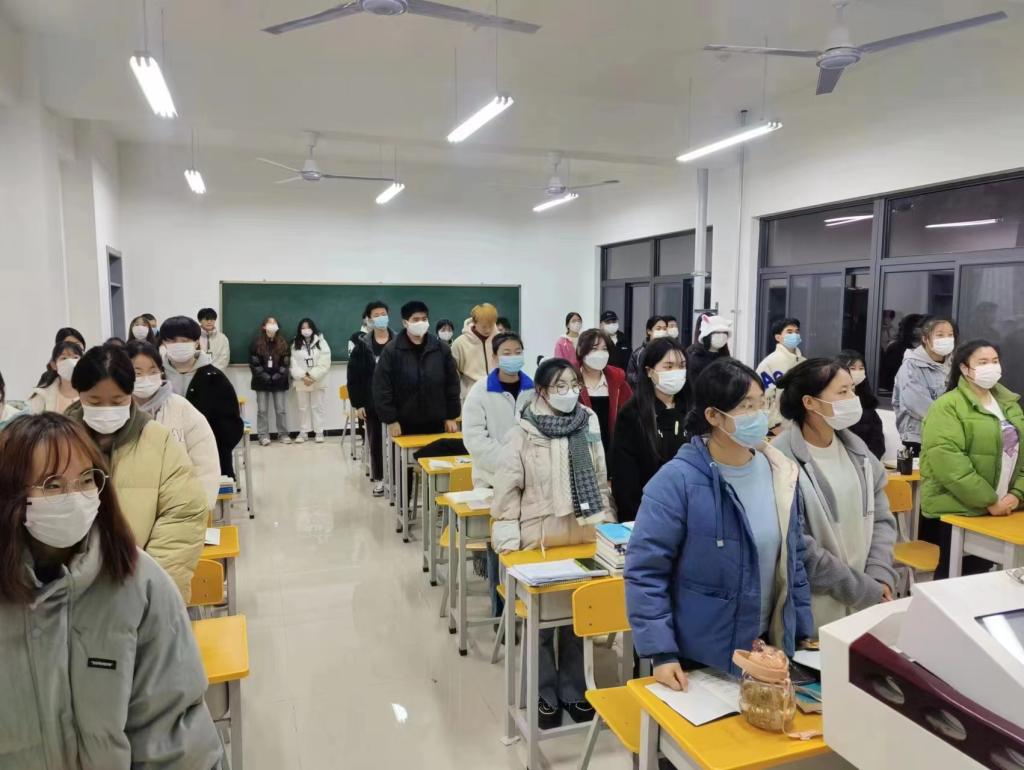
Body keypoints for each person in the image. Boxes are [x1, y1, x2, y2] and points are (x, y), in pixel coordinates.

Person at [0, 413, 224, 769]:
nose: (74, 497)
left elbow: (172, 733)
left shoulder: (140, 585)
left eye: (86, 479)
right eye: (52, 485)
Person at [625, 358, 813, 688]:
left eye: (761, 403)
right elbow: (646, 572)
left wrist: (802, 630)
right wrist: (661, 653)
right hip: (700, 657)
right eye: (746, 406)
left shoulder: (780, 472)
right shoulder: (677, 481)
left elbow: (793, 561)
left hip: (769, 645)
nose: (758, 415)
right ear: (713, 416)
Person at [492, 358, 612, 728]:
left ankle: (574, 689)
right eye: (560, 386)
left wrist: (606, 523)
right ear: (542, 391)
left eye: (574, 384)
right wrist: (507, 538)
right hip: (539, 539)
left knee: (577, 619)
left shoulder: (588, 421)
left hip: (582, 533)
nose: (570, 392)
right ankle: (544, 692)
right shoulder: (523, 432)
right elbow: (507, 490)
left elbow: (600, 476)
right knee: (541, 625)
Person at [65, 343, 209, 601]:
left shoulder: (158, 440)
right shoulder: (56, 443)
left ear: (130, 394)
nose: (106, 409)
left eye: (117, 401)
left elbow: (183, 514)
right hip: (70, 593)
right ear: (79, 394)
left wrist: (148, 589)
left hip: (141, 589)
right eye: (94, 401)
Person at [772, 359, 897, 629]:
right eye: (843, 392)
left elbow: (882, 518)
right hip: (815, 606)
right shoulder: (782, 459)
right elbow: (798, 545)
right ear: (810, 403)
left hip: (866, 598)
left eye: (852, 389)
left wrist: (879, 574)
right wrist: (860, 589)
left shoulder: (858, 451)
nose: (853, 398)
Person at [920, 340, 1024, 579]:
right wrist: (989, 501)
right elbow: (949, 462)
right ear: (964, 368)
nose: (991, 367)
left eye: (995, 361)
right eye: (983, 362)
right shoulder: (947, 406)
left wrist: (1016, 495)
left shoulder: (1009, 404)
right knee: (955, 576)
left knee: (987, 578)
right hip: (962, 508)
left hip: (1005, 506)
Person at [462, 331, 534, 618]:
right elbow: (475, 440)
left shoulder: (533, 388)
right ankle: (500, 613)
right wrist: (509, 464)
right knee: (499, 547)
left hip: (529, 482)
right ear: (494, 357)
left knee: (525, 545)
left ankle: (526, 609)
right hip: (491, 482)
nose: (513, 357)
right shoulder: (480, 391)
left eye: (518, 351)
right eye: (506, 352)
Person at [128, 340, 220, 509]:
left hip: (180, 506)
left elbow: (206, 463)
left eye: (152, 371)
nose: (146, 378)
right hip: (131, 507)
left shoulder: (180, 407)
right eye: (137, 373)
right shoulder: (118, 413)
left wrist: (200, 508)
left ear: (161, 372)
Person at [608, 338, 688, 522]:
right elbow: (625, 480)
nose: (676, 372)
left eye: (682, 366)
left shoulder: (692, 410)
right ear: (649, 371)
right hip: (647, 515)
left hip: (689, 513)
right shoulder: (632, 414)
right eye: (668, 367)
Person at [160, 316, 244, 479]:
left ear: (196, 342)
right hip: (165, 463)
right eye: (172, 340)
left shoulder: (215, 378)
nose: (178, 345)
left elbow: (231, 425)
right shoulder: (156, 377)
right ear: (163, 343)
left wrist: (208, 447)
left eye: (184, 340)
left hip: (209, 461)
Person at [373, 300, 460, 438]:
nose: (421, 323)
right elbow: (382, 387)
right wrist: (391, 419)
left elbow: (452, 384)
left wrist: (451, 416)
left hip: (437, 422)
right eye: (416, 319)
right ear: (405, 323)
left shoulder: (441, 350)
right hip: (403, 424)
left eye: (424, 319)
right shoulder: (392, 351)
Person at [348, 301, 394, 496]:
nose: (381, 318)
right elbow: (354, 377)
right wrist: (358, 404)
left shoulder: (399, 342)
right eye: (376, 315)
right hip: (371, 401)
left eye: (384, 314)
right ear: (368, 319)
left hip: (396, 401)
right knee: (375, 441)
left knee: (397, 441)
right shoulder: (362, 346)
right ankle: (380, 479)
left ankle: (397, 479)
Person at [893, 317, 956, 457]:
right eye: (940, 335)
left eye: (950, 335)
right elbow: (917, 404)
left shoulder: (954, 363)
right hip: (920, 437)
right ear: (925, 339)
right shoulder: (911, 366)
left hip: (949, 435)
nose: (946, 339)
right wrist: (954, 422)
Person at [576, 328, 632, 451]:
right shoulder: (571, 381)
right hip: (581, 451)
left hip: (613, 451)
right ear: (580, 350)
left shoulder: (619, 383)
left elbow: (632, 418)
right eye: (594, 348)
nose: (600, 354)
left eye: (604, 349)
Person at [756, 317, 805, 431]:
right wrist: (774, 425)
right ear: (778, 337)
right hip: (778, 427)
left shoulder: (804, 362)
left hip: (801, 424)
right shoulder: (769, 363)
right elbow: (762, 398)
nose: (794, 335)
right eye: (789, 332)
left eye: (797, 332)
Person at [836, 349, 886, 460]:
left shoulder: (868, 404)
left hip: (866, 461)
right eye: (852, 368)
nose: (857, 372)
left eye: (861, 368)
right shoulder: (834, 404)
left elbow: (878, 443)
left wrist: (867, 461)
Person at [249, 315, 291, 446]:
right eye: (269, 323)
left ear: (277, 327)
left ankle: (283, 434)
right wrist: (266, 376)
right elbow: (254, 363)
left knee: (280, 410)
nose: (272, 326)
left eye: (274, 323)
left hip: (279, 381)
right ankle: (263, 435)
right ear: (264, 327)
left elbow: (286, 363)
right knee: (262, 410)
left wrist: (278, 375)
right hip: (261, 381)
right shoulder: (256, 343)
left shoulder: (283, 343)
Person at [290, 317, 332, 443]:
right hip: (301, 381)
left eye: (308, 327)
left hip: (317, 380)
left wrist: (312, 376)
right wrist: (303, 376)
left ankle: (319, 432)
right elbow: (293, 364)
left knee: (317, 406)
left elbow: (325, 362)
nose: (306, 330)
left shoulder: (321, 342)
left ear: (313, 328)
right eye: (303, 328)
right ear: (300, 330)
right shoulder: (295, 344)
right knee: (303, 407)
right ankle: (304, 432)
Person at [451, 303, 498, 397]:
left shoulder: (500, 340)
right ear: (474, 323)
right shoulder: (460, 343)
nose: (488, 330)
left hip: (497, 394)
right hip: (471, 396)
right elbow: (453, 374)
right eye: (484, 327)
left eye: (491, 326)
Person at [27, 340, 82, 414]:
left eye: (75, 357)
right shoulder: (41, 395)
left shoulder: (92, 391)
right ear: (54, 365)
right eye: (64, 358)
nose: (70, 362)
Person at [685, 314, 732, 386]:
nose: (721, 336)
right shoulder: (694, 358)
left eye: (724, 333)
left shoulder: (727, 359)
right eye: (717, 333)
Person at [626, 316, 668, 387]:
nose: (662, 331)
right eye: (658, 328)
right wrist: (647, 380)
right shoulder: (639, 353)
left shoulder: (670, 351)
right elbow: (630, 376)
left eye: (664, 329)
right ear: (649, 331)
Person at [198, 307, 231, 371]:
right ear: (200, 320)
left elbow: (224, 358)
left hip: (216, 373)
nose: (209, 322)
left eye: (212, 319)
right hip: (197, 373)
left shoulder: (222, 338)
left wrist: (213, 372)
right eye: (206, 319)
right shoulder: (193, 337)